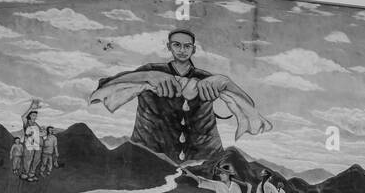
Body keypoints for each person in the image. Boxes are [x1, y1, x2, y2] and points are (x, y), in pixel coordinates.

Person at [91, 29, 263, 162]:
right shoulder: (151, 70)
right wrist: (147, 77)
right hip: (150, 154)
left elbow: (249, 105)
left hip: (203, 156)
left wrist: (226, 82)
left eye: (187, 46)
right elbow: (108, 85)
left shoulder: (208, 78)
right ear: (169, 47)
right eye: (177, 45)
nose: (182, 50)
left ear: (194, 49)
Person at [22, 109, 43, 181]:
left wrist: (43, 134)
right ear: (30, 115)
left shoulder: (37, 124)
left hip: (37, 144)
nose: (35, 117)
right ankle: (25, 173)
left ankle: (32, 173)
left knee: (37, 159)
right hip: (29, 144)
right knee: (28, 159)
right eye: (33, 115)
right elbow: (23, 117)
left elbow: (40, 133)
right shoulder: (27, 122)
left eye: (36, 116)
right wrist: (31, 107)